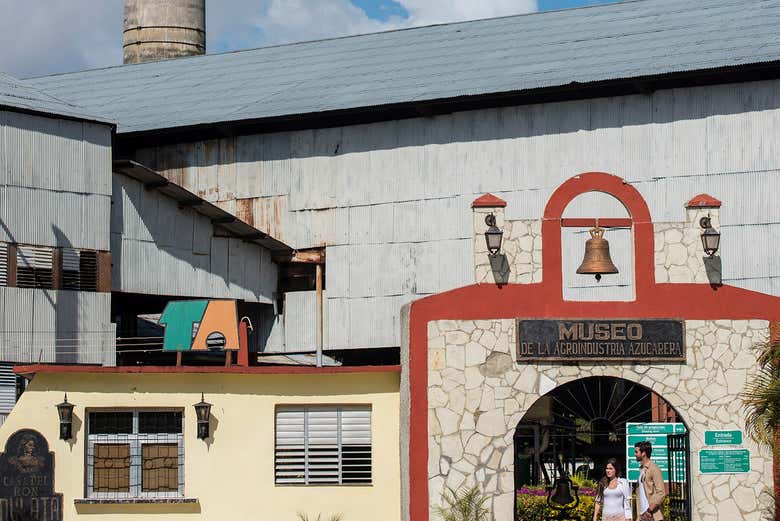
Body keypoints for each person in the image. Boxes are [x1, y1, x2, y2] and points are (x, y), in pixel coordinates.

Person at [634, 441, 666, 521]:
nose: (635, 454)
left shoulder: (654, 469)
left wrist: (649, 510)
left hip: (652, 515)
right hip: (642, 515)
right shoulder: (641, 469)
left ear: (643, 453)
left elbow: (661, 493)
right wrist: (639, 515)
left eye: (636, 452)